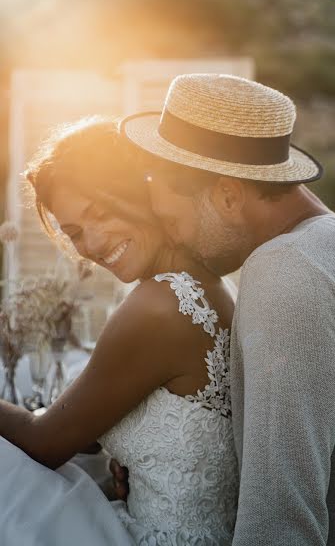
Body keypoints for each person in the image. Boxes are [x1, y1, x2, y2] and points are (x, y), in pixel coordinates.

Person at [110, 73, 335, 546]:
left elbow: (280, 524)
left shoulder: (286, 270)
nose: (175, 239)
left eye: (172, 220)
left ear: (227, 195)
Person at [0, 117, 239, 545]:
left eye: (100, 213)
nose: (90, 243)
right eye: (73, 232)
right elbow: (91, 434)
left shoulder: (160, 304)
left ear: (144, 193)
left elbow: (46, 442)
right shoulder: (209, 286)